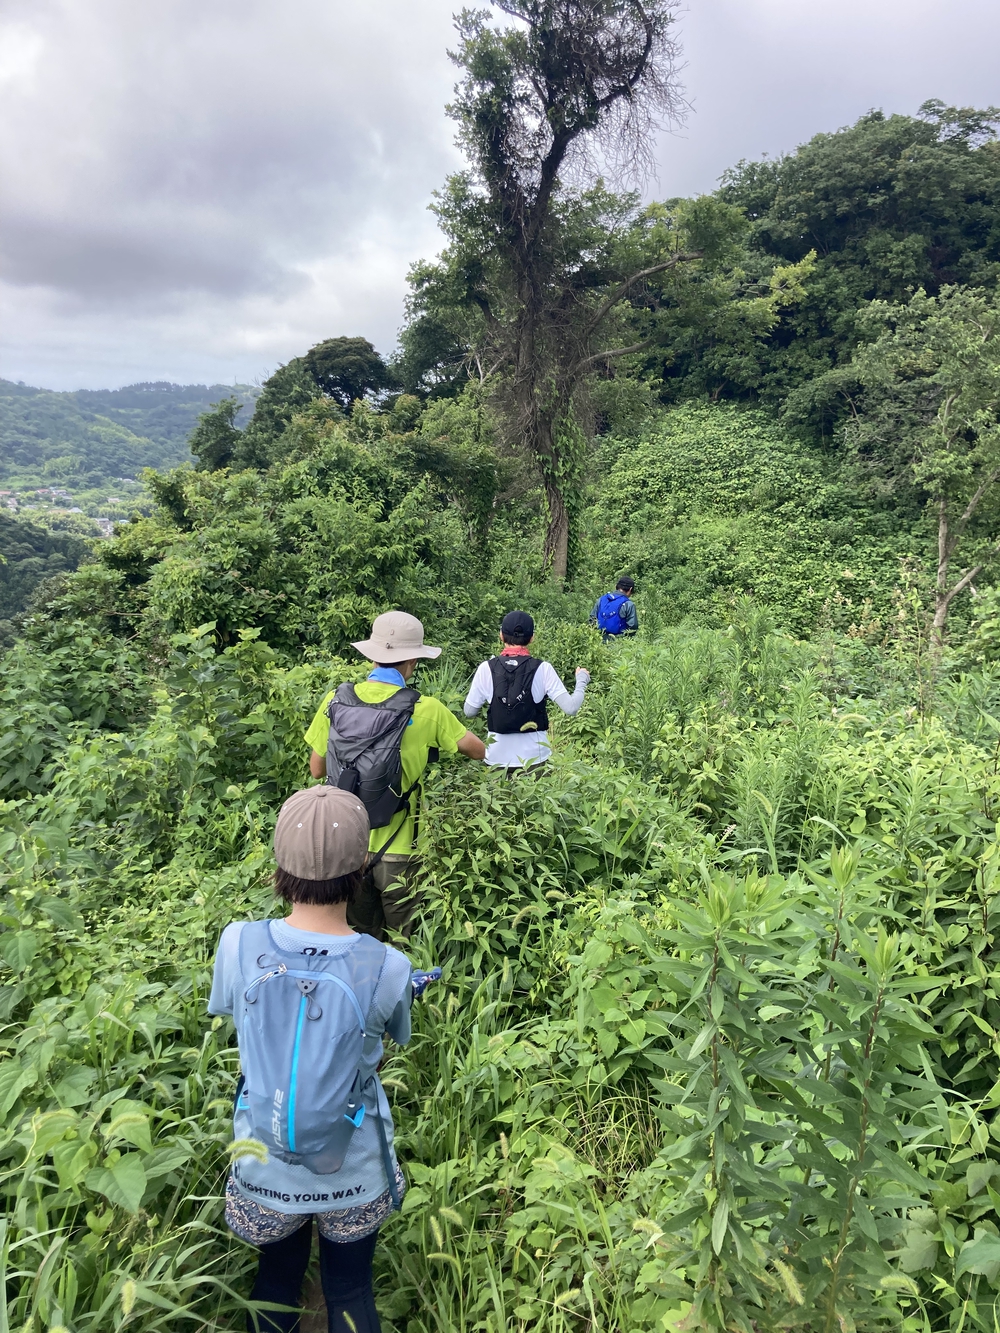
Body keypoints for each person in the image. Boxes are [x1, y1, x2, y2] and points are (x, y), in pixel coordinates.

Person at [209, 785, 417, 1333]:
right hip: (353, 1167)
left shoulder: (236, 943)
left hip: (264, 1158)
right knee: (350, 1289)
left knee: (275, 1283)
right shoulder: (389, 965)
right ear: (362, 865)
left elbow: (230, 1008)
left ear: (280, 862)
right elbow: (396, 1034)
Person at [305, 611, 485, 939]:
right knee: (407, 942)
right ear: (413, 660)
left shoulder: (335, 700)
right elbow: (477, 750)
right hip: (401, 849)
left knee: (359, 940)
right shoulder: (426, 709)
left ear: (372, 655)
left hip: (345, 844)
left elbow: (317, 769)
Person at [463, 610, 590, 774]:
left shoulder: (486, 668)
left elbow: (469, 711)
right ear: (532, 638)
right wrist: (581, 680)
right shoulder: (543, 669)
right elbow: (571, 708)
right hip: (535, 761)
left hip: (496, 760)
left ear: (501, 635)